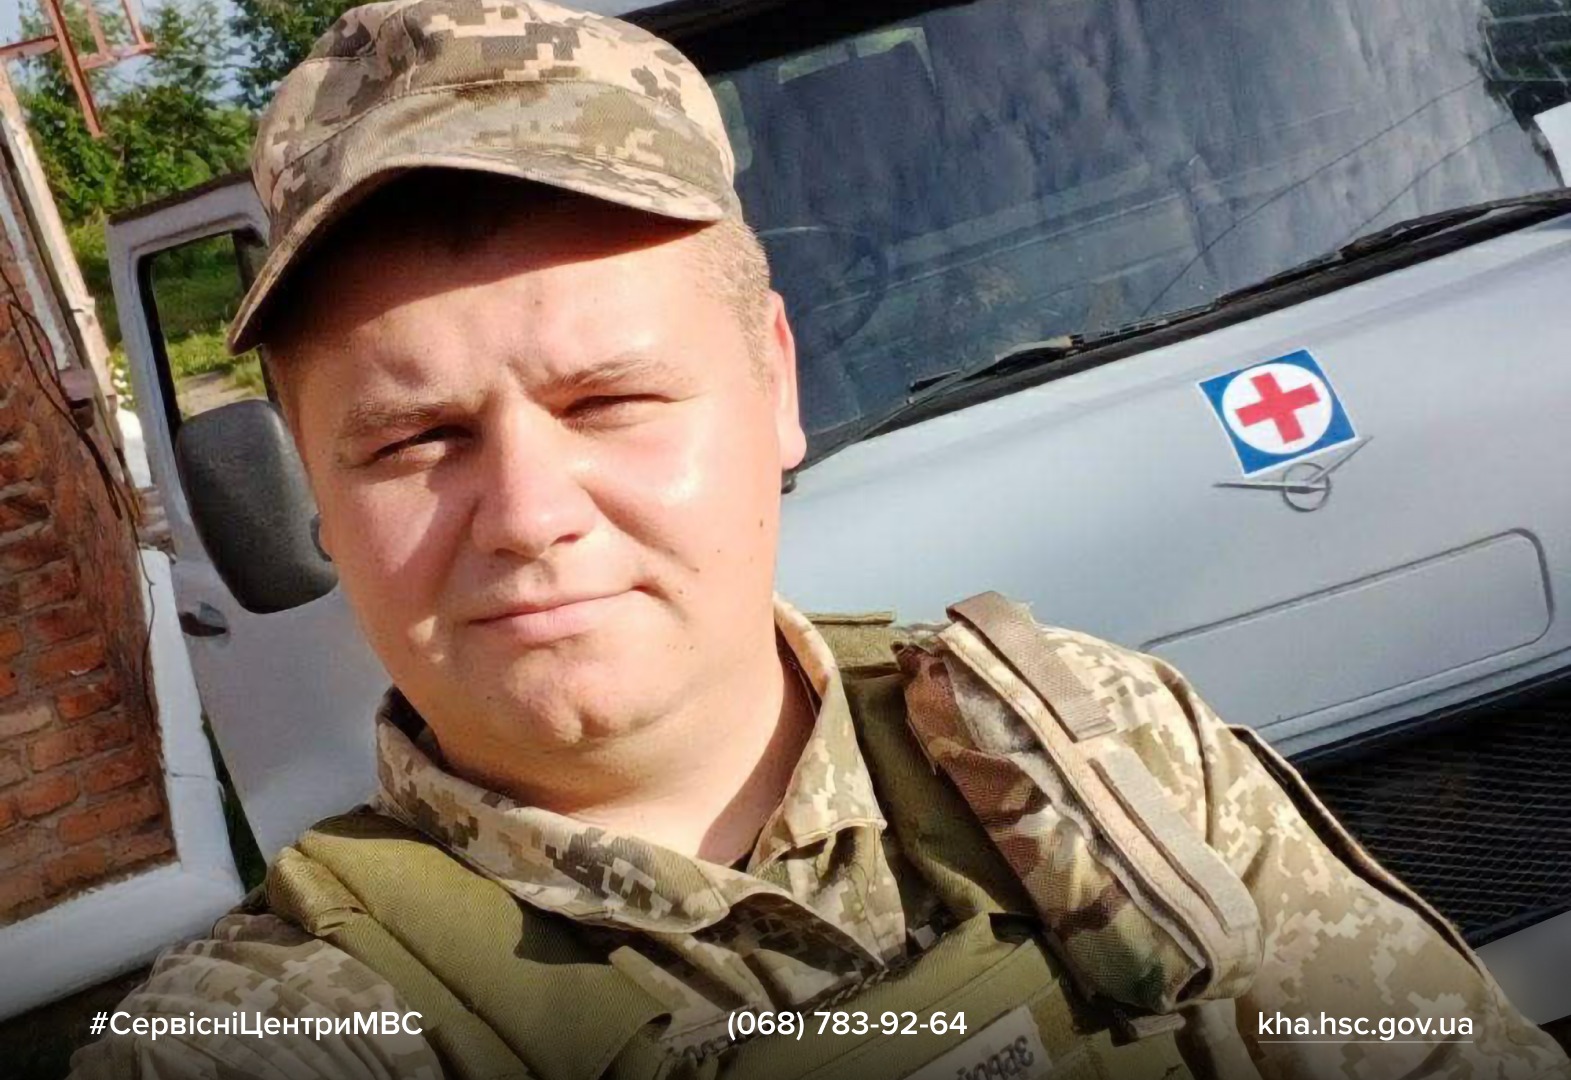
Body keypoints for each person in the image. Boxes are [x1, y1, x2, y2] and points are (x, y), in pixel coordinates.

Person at [71, 1, 1569, 1078]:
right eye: (414, 441)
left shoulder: (1105, 753)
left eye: (610, 400)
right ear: (316, 501)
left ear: (775, 387)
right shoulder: (276, 1031)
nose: (527, 517)